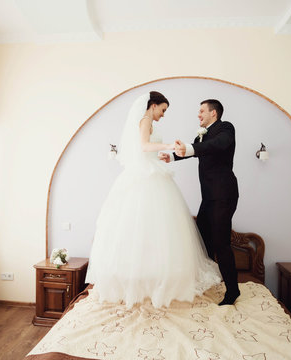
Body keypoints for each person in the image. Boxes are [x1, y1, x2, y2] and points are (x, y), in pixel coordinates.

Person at [85, 91, 222, 309]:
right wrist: (168, 146)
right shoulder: (145, 120)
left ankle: (155, 282)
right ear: (153, 106)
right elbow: (144, 146)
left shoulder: (148, 121)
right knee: (144, 225)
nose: (164, 114)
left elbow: (147, 149)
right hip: (144, 177)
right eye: (163, 109)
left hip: (152, 171)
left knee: (156, 228)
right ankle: (141, 286)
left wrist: (166, 153)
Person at [160, 99, 240, 305]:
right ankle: (209, 282)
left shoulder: (225, 128)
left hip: (224, 195)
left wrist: (190, 148)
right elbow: (195, 149)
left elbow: (216, 145)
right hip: (209, 198)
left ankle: (233, 291)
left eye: (202, 111)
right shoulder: (201, 135)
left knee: (221, 243)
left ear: (214, 113)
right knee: (202, 241)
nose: (199, 114)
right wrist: (172, 158)